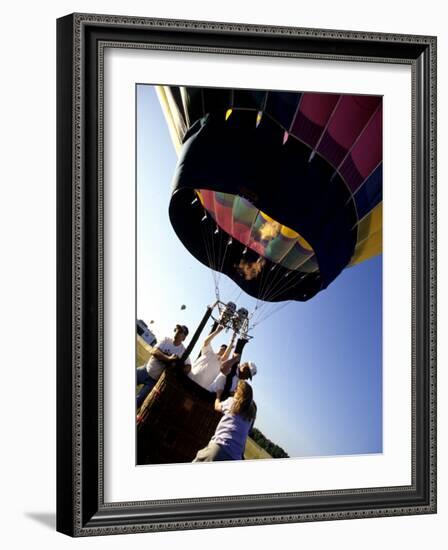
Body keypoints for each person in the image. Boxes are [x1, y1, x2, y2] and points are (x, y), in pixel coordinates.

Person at [193, 380, 256, 462]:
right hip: (235, 458)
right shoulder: (250, 417)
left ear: (239, 392)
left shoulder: (232, 402)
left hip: (219, 448)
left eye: (236, 389)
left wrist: (218, 395)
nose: (234, 391)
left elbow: (217, 406)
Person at [136, 324, 190, 408]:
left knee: (137, 401)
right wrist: (168, 359)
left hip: (154, 381)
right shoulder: (166, 340)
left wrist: (177, 366)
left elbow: (188, 368)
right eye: (177, 330)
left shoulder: (183, 351)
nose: (178, 332)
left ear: (184, 338)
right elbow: (154, 351)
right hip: (146, 369)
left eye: (181, 332)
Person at [188, 325, 240, 392]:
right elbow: (206, 342)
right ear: (220, 347)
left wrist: (231, 341)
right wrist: (217, 331)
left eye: (225, 348)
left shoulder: (221, 362)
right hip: (189, 378)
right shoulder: (208, 352)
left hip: (199, 390)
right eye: (223, 346)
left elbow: (225, 357)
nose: (224, 348)